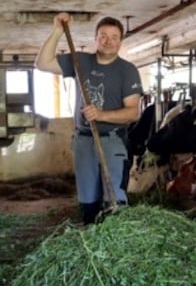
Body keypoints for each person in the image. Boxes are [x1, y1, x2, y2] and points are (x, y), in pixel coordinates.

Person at [35, 12, 143, 224]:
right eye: (103, 35)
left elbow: (133, 112)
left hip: (113, 140)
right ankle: (90, 234)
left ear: (120, 42)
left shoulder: (127, 71)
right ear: (95, 39)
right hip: (83, 139)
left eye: (114, 37)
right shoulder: (80, 61)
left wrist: (101, 115)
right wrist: (57, 30)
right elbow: (42, 63)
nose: (108, 41)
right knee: (87, 196)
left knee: (114, 197)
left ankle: (115, 240)